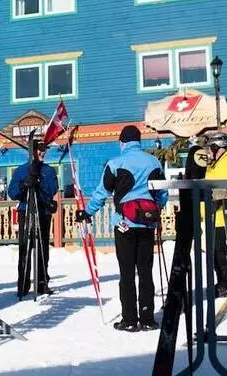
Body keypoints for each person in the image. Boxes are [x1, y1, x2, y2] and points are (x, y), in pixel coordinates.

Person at [76, 125, 167, 332]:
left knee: (127, 272)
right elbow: (161, 193)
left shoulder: (116, 163)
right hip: (147, 223)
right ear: (139, 141)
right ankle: (147, 317)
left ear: (122, 142)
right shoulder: (154, 162)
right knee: (145, 271)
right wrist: (156, 210)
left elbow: (102, 192)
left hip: (124, 223)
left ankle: (129, 319)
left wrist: (88, 212)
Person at [8, 139, 59, 299]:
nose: (43, 153)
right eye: (39, 150)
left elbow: (52, 190)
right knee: (25, 248)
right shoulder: (21, 170)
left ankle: (42, 283)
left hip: (43, 212)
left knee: (43, 247)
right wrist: (25, 184)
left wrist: (38, 180)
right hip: (26, 211)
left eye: (45, 150)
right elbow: (13, 193)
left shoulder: (48, 171)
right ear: (32, 152)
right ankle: (22, 285)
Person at [202, 130, 227, 298]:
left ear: (217, 147)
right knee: (216, 253)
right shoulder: (214, 164)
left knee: (223, 253)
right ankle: (222, 282)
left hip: (224, 215)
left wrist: (209, 202)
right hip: (213, 216)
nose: (207, 152)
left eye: (210, 148)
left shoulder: (226, 163)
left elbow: (221, 191)